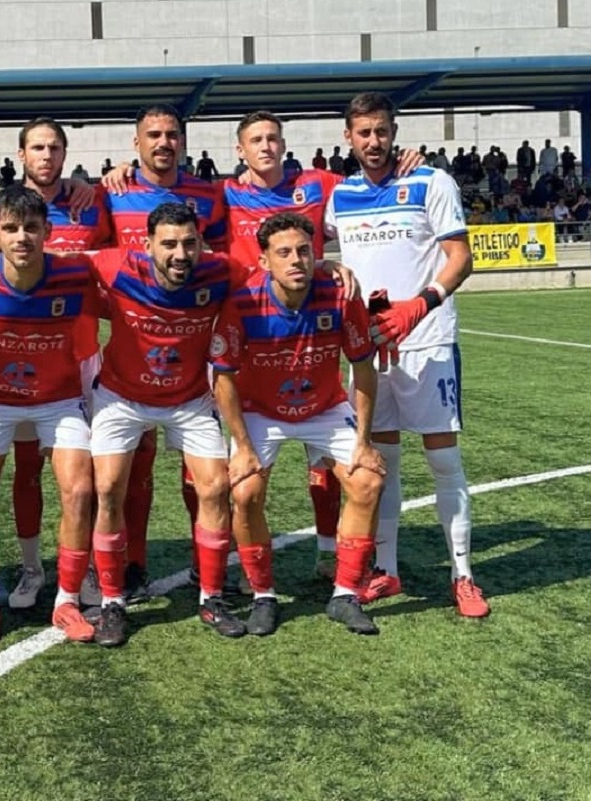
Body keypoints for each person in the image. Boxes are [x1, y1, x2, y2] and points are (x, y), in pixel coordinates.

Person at [324, 92, 488, 618]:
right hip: (371, 354)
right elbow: (303, 240)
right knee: (383, 463)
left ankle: (463, 576)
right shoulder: (340, 197)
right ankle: (388, 571)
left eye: (382, 131)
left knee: (443, 460)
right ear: (348, 138)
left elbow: (460, 259)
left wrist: (420, 305)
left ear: (395, 131)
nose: (374, 142)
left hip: (427, 341)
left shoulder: (431, 182)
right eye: (363, 133)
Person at [0, 117, 111, 608]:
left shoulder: (90, 206)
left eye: (54, 147)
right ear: (22, 154)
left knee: (83, 481)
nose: (46, 155)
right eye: (36, 148)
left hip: (71, 366)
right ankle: (12, 582)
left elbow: (124, 257)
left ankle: (77, 578)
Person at [214, 212, 384, 635]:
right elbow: (224, 379)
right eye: (284, 252)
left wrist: (363, 440)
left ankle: (345, 594)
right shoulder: (242, 302)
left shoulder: (341, 296)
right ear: (264, 260)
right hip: (260, 410)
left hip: (323, 407)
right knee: (246, 490)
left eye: (304, 251)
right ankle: (263, 595)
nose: (296, 260)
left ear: (317, 255)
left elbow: (363, 369)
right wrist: (242, 445)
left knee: (368, 481)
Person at [87, 202, 245, 645]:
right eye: (170, 244)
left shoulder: (219, 272)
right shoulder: (118, 264)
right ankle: (112, 602)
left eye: (190, 243)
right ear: (147, 244)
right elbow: (56, 260)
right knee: (107, 489)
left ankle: (212, 597)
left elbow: (268, 269)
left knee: (215, 487)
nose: (181, 253)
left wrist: (329, 268)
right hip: (121, 397)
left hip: (189, 398)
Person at [98, 104, 228, 601]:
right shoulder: (114, 192)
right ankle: (131, 564)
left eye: (172, 134)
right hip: (132, 332)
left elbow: (226, 254)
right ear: (136, 143)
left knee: (201, 475)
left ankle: (207, 568)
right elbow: (92, 254)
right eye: (153, 135)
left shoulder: (208, 195)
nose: (163, 142)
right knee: (131, 468)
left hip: (189, 340)